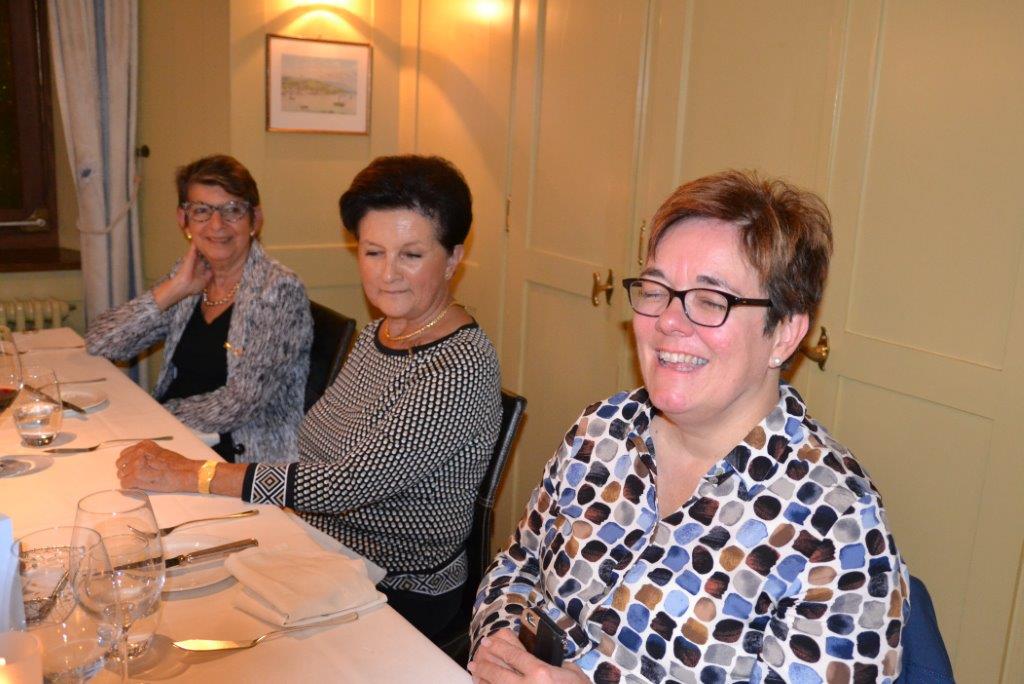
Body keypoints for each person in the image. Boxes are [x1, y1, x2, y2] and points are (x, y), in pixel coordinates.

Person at [469, 171, 909, 683]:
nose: (669, 322)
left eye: (711, 300)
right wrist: (499, 645)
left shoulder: (837, 526)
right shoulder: (602, 430)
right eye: (657, 290)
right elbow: (518, 565)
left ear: (785, 334)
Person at [115, 155, 502, 641]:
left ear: (453, 258)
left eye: (411, 255)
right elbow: (317, 440)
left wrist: (196, 473)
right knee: (160, 594)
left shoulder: (459, 367)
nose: (387, 275)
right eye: (373, 252)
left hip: (395, 587)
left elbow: (348, 484)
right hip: (317, 549)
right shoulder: (382, 333)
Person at [85, 155, 312, 463]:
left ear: (255, 219)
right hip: (180, 434)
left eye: (232, 210)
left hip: (235, 452)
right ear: (184, 220)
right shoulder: (191, 273)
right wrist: (173, 289)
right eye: (202, 211)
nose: (217, 225)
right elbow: (102, 343)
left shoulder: (278, 289)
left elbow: (240, 402)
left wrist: (155, 417)